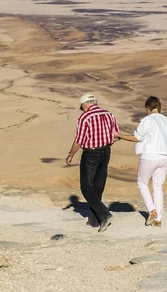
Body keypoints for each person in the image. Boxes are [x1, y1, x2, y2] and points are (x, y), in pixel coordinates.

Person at [116, 96, 167, 227]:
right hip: (165, 157)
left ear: (147, 107)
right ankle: (158, 219)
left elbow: (136, 137)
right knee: (158, 187)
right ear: (159, 106)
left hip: (150, 156)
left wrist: (119, 136)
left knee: (142, 183)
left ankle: (152, 210)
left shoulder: (147, 120)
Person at [66, 92, 120, 233]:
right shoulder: (109, 115)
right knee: (98, 186)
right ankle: (94, 220)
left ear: (85, 104)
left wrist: (71, 154)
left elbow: (79, 140)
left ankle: (104, 214)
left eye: (81, 107)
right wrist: (105, 142)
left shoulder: (85, 117)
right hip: (106, 151)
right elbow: (116, 135)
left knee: (86, 186)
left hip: (91, 153)